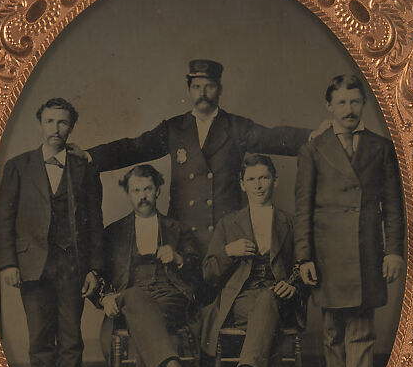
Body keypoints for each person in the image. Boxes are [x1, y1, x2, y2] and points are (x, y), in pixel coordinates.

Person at [80, 59, 324, 241]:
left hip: (227, 233)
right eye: (197, 86)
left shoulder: (236, 127)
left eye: (209, 87)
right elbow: (135, 148)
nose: (202, 93)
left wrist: (311, 136)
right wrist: (92, 156)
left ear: (219, 89)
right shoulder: (174, 128)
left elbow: (273, 137)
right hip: (183, 234)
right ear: (189, 90)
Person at [295, 74, 405, 367]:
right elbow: (303, 207)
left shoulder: (379, 147)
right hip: (327, 254)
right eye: (341, 102)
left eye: (355, 102)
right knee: (332, 331)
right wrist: (304, 257)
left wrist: (393, 251)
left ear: (364, 105)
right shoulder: (314, 148)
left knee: (361, 328)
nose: (348, 110)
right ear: (329, 107)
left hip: (366, 251)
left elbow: (393, 205)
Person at [0, 97, 104, 367]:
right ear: (41, 124)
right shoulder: (18, 166)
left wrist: (95, 269)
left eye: (63, 123)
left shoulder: (84, 168)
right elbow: (4, 219)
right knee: (40, 335)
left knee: (72, 336)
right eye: (50, 122)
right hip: (32, 265)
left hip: (72, 264)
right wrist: (9, 263)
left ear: (71, 127)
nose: (56, 129)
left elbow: (95, 222)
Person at [200, 155, 305, 367]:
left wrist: (293, 285)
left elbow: (303, 267)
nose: (258, 185)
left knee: (268, 303)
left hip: (280, 298)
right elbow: (208, 272)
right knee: (263, 313)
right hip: (241, 300)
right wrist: (227, 252)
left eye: (264, 178)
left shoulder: (289, 222)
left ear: (275, 181)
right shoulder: (228, 224)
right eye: (251, 179)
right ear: (242, 185)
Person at [94, 164, 200, 367]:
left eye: (148, 189)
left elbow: (198, 268)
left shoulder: (177, 228)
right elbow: (99, 274)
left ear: (158, 191)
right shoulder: (114, 232)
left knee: (144, 321)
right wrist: (105, 297)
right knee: (136, 303)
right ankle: (170, 365)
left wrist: (177, 258)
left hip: (169, 293)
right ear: (128, 194)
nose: (142, 195)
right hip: (131, 295)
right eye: (136, 190)